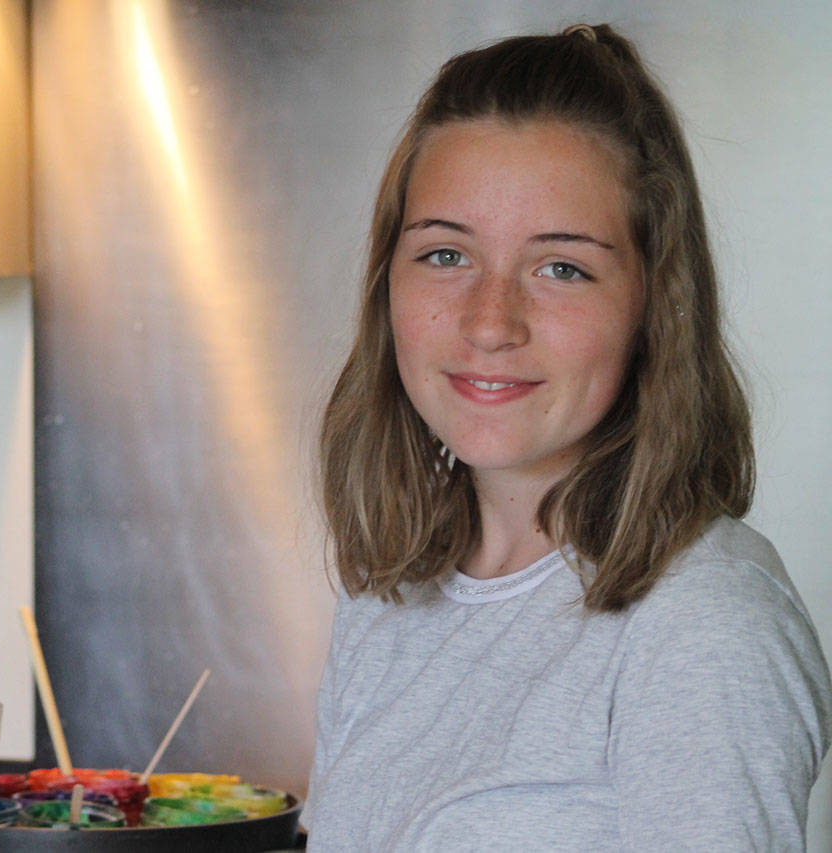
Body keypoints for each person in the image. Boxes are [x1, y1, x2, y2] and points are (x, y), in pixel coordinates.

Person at [304, 23, 831, 851]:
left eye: (562, 268)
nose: (490, 322)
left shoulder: (705, 624)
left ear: (655, 305)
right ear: (386, 284)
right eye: (445, 255)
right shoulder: (390, 593)